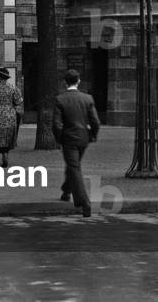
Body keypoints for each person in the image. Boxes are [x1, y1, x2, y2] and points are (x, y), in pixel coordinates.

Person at [53, 69, 100, 218]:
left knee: (74, 167)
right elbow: (95, 122)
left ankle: (84, 202)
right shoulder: (87, 98)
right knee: (74, 165)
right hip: (83, 138)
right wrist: (92, 135)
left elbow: (57, 124)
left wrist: (59, 139)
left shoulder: (60, 99)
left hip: (69, 138)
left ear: (65, 82)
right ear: (78, 81)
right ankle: (66, 191)